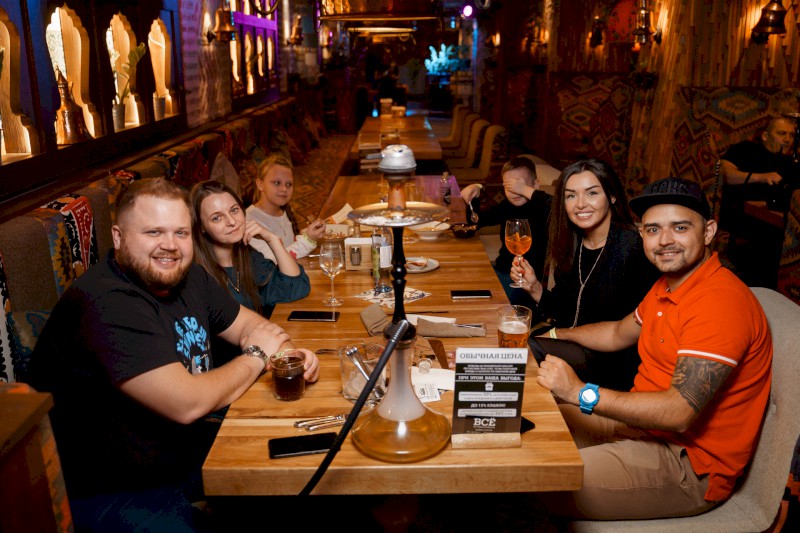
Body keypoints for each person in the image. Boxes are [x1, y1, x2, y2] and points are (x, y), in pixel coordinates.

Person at [27, 178, 320, 532]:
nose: (170, 245)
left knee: (305, 470)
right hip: (110, 486)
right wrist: (259, 354)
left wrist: (288, 356)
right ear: (118, 237)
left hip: (175, 453)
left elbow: (248, 325)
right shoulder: (106, 302)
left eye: (180, 233)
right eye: (153, 232)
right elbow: (187, 403)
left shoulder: (190, 277)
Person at [535, 176, 772, 521]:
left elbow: (678, 413)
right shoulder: (668, 285)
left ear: (708, 232)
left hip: (689, 463)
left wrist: (579, 392)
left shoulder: (719, 302)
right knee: (526, 428)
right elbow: (617, 333)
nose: (665, 241)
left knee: (532, 477)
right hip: (639, 428)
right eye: (653, 229)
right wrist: (558, 334)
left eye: (680, 227)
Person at [511, 158, 660, 390]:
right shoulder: (573, 242)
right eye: (571, 196)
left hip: (614, 360)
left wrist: (558, 335)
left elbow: (640, 328)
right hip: (572, 345)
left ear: (611, 196)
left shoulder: (633, 246)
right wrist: (535, 288)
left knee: (522, 350)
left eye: (592, 193)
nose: (580, 204)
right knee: (511, 339)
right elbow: (563, 311)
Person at [190, 180, 310, 319]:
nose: (232, 222)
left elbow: (296, 288)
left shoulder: (249, 257)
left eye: (234, 210)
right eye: (217, 218)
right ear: (201, 227)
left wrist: (272, 239)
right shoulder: (198, 276)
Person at [460, 156, 551, 309]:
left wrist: (527, 191)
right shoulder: (507, 206)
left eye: (519, 185)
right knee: (466, 283)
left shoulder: (542, 208)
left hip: (527, 282)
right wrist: (475, 194)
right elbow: (476, 221)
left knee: (485, 301)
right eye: (509, 187)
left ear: (535, 185)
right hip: (502, 270)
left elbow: (558, 206)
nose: (515, 191)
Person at [246, 153, 326, 262]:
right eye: (277, 183)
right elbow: (272, 261)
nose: (284, 189)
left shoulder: (284, 211)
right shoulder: (249, 222)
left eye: (289, 184)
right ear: (260, 184)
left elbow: (288, 243)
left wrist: (306, 233)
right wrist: (308, 240)